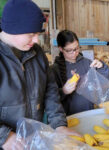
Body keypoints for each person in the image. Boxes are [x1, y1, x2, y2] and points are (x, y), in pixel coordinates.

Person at [0, 0, 80, 149]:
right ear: (13, 29)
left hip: (32, 140)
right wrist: (4, 137)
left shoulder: (37, 54)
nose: (36, 40)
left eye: (37, 34)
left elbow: (50, 91)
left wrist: (59, 124)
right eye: (31, 34)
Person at [51, 30, 109, 115]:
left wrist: (101, 67)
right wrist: (63, 91)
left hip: (88, 112)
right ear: (61, 49)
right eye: (69, 50)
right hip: (68, 117)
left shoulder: (87, 63)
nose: (74, 53)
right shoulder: (55, 69)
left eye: (77, 48)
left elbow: (104, 83)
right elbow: (50, 97)